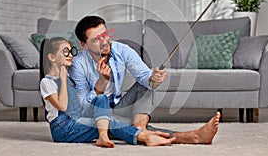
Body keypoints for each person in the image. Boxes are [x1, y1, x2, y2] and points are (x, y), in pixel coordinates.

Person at [69, 15, 221, 144]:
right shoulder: (78, 64)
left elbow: (145, 78)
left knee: (145, 85)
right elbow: (83, 108)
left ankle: (140, 130)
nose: (104, 41)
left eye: (105, 34)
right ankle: (192, 137)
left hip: (119, 107)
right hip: (96, 114)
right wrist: (101, 83)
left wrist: (153, 79)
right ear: (84, 45)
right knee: (117, 125)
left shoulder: (122, 50)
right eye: (96, 39)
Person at [39, 37, 176, 147]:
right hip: (63, 129)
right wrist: (62, 80)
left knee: (101, 100)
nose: (70, 55)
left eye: (71, 51)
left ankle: (103, 136)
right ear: (51, 57)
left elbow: (79, 105)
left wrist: (89, 47)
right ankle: (143, 136)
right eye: (65, 52)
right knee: (107, 122)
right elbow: (62, 106)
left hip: (77, 119)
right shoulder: (47, 82)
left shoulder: (68, 76)